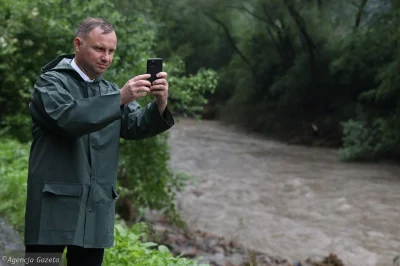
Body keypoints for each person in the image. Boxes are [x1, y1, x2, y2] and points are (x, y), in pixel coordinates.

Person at [23, 17, 174, 266]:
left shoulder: (109, 90)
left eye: (111, 51)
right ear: (78, 44)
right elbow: (67, 119)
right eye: (99, 48)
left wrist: (160, 104)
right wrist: (120, 98)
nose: (106, 57)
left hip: (95, 208)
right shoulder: (49, 83)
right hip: (53, 207)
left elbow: (135, 125)